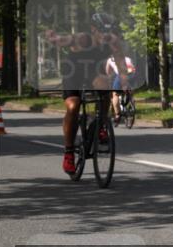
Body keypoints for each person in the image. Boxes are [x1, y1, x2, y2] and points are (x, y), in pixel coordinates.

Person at [44, 12, 131, 175]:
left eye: (109, 31)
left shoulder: (112, 42)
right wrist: (52, 36)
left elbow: (120, 61)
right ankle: (69, 152)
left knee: (105, 87)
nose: (106, 36)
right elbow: (62, 40)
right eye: (102, 31)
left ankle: (101, 125)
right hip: (73, 73)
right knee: (73, 105)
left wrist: (125, 82)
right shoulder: (82, 39)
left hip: (92, 72)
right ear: (93, 29)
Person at [106, 55, 136, 123]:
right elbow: (133, 68)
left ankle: (117, 115)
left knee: (115, 94)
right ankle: (131, 99)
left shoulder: (110, 59)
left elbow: (107, 72)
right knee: (129, 88)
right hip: (132, 74)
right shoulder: (128, 58)